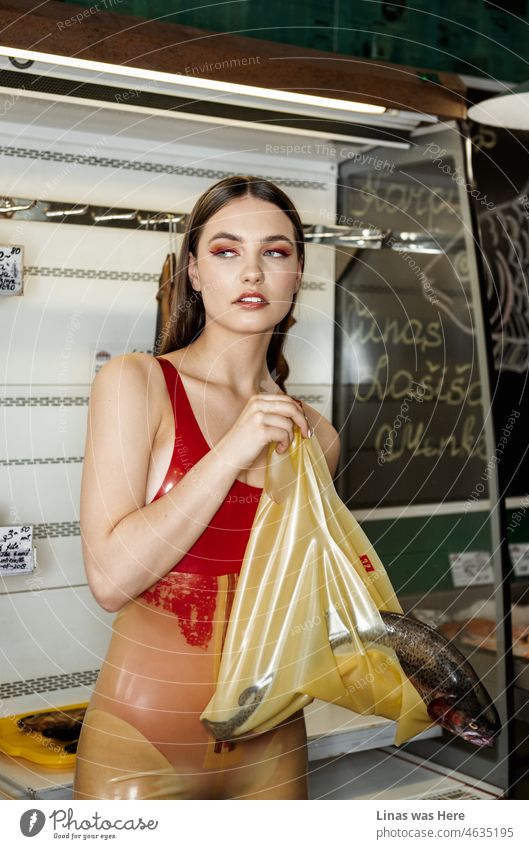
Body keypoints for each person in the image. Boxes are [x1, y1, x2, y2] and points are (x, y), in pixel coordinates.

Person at [73, 175, 341, 800]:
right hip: (140, 748)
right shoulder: (135, 384)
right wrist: (228, 454)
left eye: (274, 252)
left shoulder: (315, 438)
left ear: (297, 273)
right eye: (226, 251)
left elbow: (292, 604)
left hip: (272, 743)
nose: (252, 271)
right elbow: (111, 580)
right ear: (193, 271)